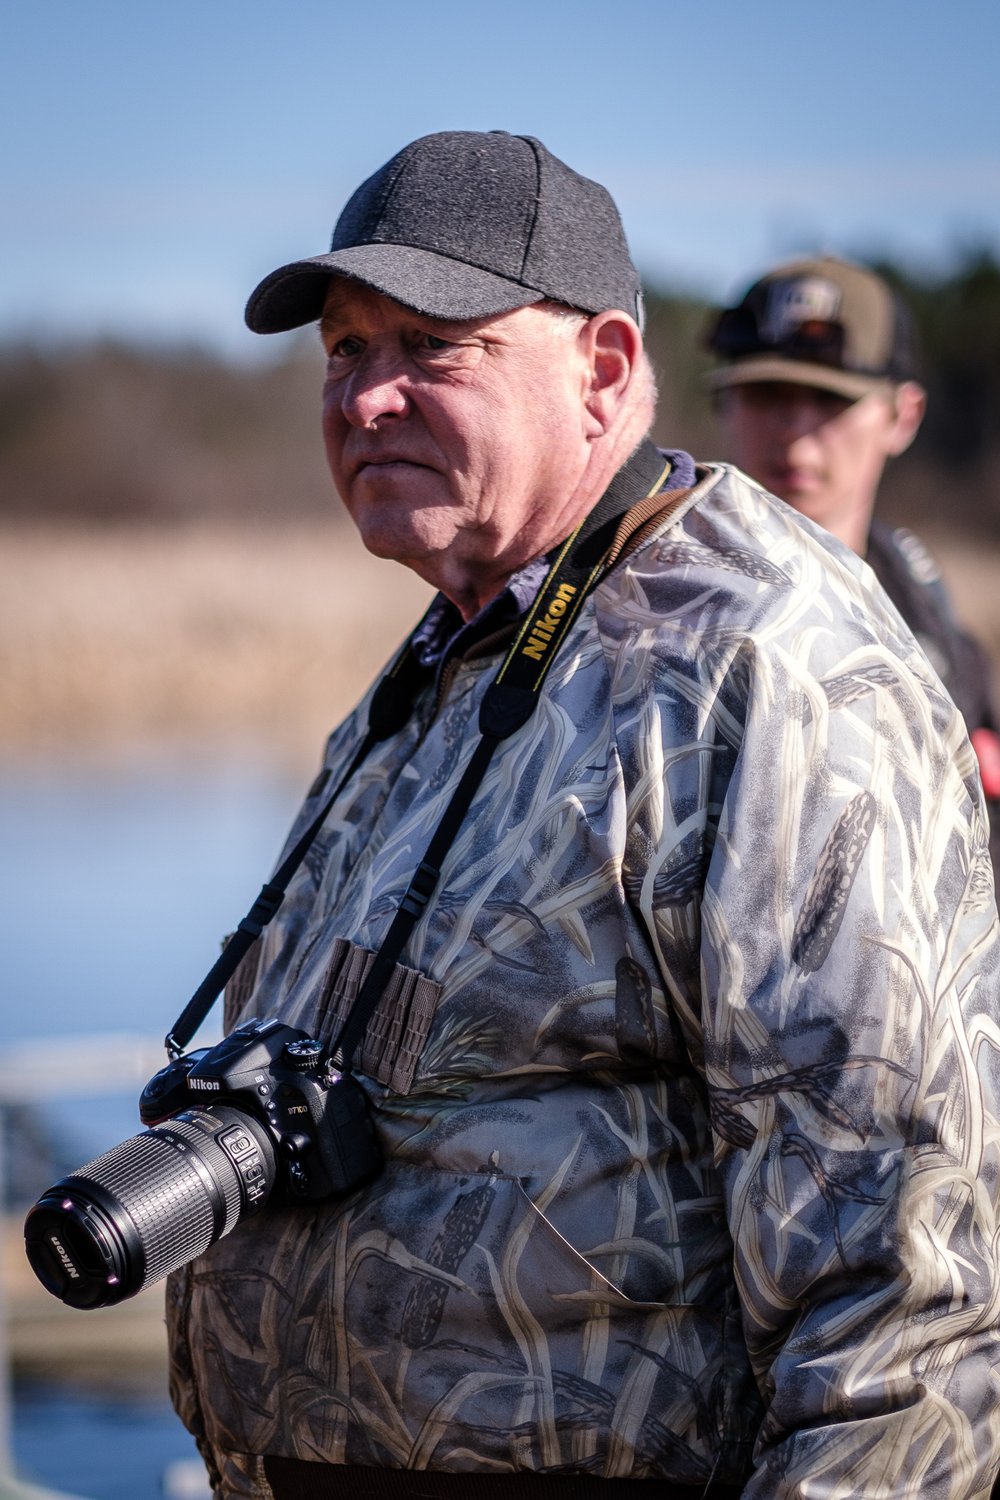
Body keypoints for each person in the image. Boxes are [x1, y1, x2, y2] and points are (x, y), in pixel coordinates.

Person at [165, 133, 1000, 1500]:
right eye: (342, 350)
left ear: (603, 369)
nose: (366, 400)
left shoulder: (765, 666)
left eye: (430, 346)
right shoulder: (455, 653)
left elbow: (911, 1296)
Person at [706, 255, 1000, 871]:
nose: (795, 429)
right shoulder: (661, 596)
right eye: (765, 393)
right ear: (724, 401)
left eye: (828, 398)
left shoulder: (917, 592)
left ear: (904, 416)